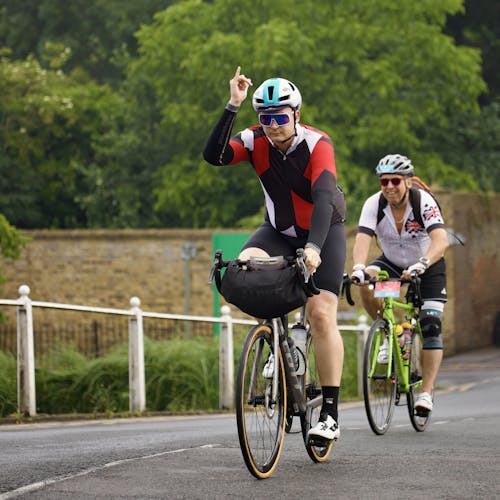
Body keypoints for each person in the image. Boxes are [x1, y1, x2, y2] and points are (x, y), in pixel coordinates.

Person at [203, 66, 346, 442]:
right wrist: (233, 105)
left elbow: (323, 198)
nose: (272, 125)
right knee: (249, 265)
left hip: (324, 230)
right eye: (265, 118)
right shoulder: (254, 141)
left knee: (320, 312)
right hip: (278, 231)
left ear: (296, 115)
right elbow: (214, 156)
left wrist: (314, 248)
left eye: (280, 117)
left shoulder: (318, 144)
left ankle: (330, 413)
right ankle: (277, 344)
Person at [350, 154, 449, 414]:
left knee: (430, 323)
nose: (389, 186)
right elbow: (363, 239)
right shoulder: (374, 203)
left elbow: (441, 239)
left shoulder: (422, 201)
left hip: (427, 265)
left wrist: (423, 262)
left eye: (395, 180)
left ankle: (426, 393)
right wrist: (359, 267)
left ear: (406, 181)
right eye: (384, 181)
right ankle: (388, 332)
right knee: (367, 282)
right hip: (392, 263)